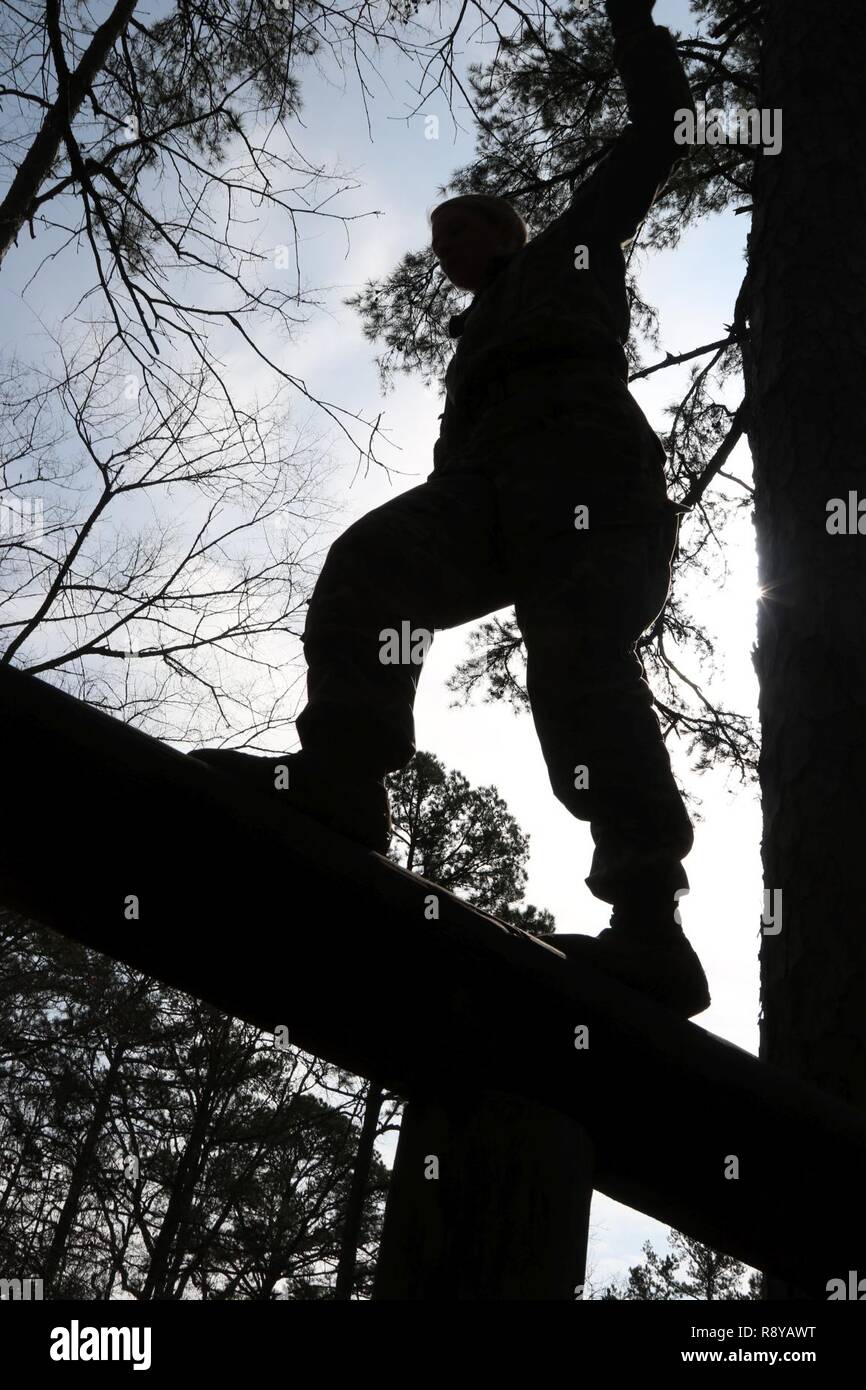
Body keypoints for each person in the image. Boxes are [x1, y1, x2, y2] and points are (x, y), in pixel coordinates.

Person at [191, 0, 710, 1018]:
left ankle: (648, 926)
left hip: (587, 474)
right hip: (486, 490)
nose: (445, 245)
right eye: (435, 238)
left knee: (577, 667)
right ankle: (343, 774)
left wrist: (632, 23)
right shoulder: (468, 345)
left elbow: (658, 135)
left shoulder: (572, 245)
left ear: (506, 227)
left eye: (458, 225)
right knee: (375, 566)